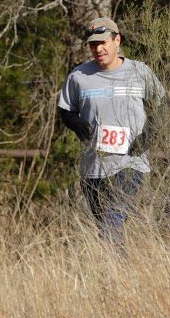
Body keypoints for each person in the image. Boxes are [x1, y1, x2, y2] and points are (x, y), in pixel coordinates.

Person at [58, 17, 166, 241]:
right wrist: (77, 124)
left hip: (130, 162)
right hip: (93, 167)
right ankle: (119, 273)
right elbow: (65, 110)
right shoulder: (79, 77)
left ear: (117, 40)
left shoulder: (139, 72)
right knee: (105, 229)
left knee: (112, 222)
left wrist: (148, 136)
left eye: (103, 43)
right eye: (93, 45)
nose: (98, 49)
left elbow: (164, 106)